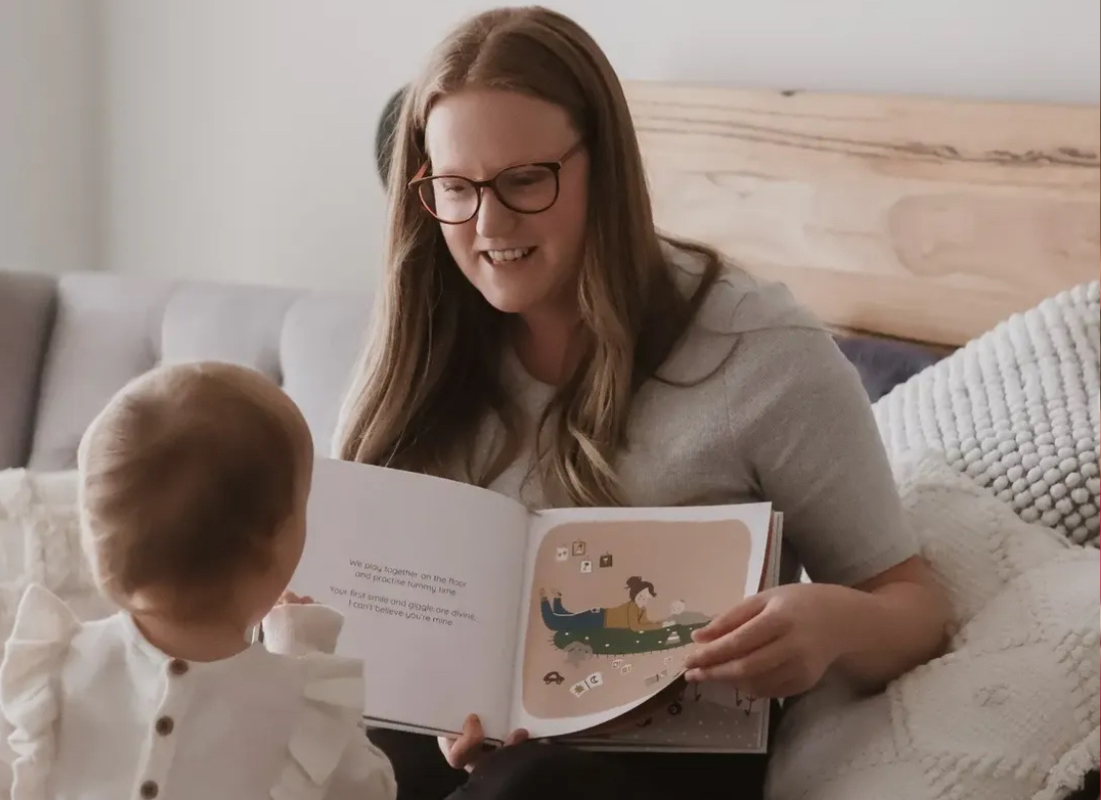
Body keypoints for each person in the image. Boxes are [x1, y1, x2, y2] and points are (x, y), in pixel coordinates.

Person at [337, 6, 951, 799]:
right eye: (455, 187)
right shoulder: (415, 343)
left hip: (659, 766)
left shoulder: (760, 349)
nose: (488, 224)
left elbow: (912, 604)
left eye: (526, 180)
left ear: (606, 166)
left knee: (529, 787)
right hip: (457, 748)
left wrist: (828, 624)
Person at [0, 362, 396, 800]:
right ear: (278, 547)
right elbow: (374, 789)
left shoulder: (44, 678)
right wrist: (301, 652)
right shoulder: (301, 711)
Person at [539, 576, 667, 632]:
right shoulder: (632, 607)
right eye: (641, 597)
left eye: (646, 598)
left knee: (568, 617)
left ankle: (557, 599)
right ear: (635, 594)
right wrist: (658, 626)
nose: (643, 600)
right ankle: (544, 601)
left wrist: (660, 624)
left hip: (599, 618)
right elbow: (635, 627)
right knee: (556, 623)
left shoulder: (641, 609)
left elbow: (644, 623)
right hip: (599, 618)